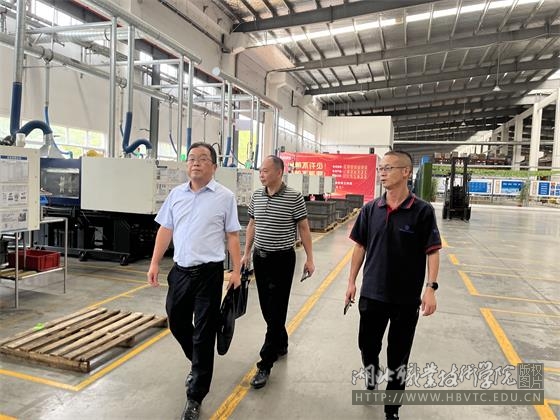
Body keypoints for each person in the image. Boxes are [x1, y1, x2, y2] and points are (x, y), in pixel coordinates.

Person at [147, 142, 241, 420]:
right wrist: (154, 262)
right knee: (176, 321)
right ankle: (199, 362)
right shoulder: (176, 194)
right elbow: (165, 229)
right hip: (181, 272)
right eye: (191, 159)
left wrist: (236, 271)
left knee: (203, 333)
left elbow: (232, 235)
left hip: (209, 274)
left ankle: (195, 396)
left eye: (202, 159)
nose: (196, 163)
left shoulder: (225, 197)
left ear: (214, 166)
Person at [345, 150, 441, 420]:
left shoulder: (422, 211)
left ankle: (392, 409)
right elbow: (360, 247)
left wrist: (430, 288)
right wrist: (351, 282)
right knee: (367, 346)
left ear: (406, 172)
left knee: (399, 356)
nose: (382, 173)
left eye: (388, 168)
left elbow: (432, 251)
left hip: (405, 299)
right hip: (372, 293)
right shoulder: (370, 209)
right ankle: (372, 374)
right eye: (381, 168)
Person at [241, 155, 315, 389]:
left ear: (279, 172)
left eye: (265, 171)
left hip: (282, 260)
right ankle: (280, 342)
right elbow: (252, 224)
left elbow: (303, 227)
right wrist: (246, 253)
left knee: (277, 310)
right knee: (267, 308)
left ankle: (265, 363)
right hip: (260, 259)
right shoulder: (257, 196)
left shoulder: (294, 197)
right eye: (260, 171)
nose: (261, 174)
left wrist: (310, 259)